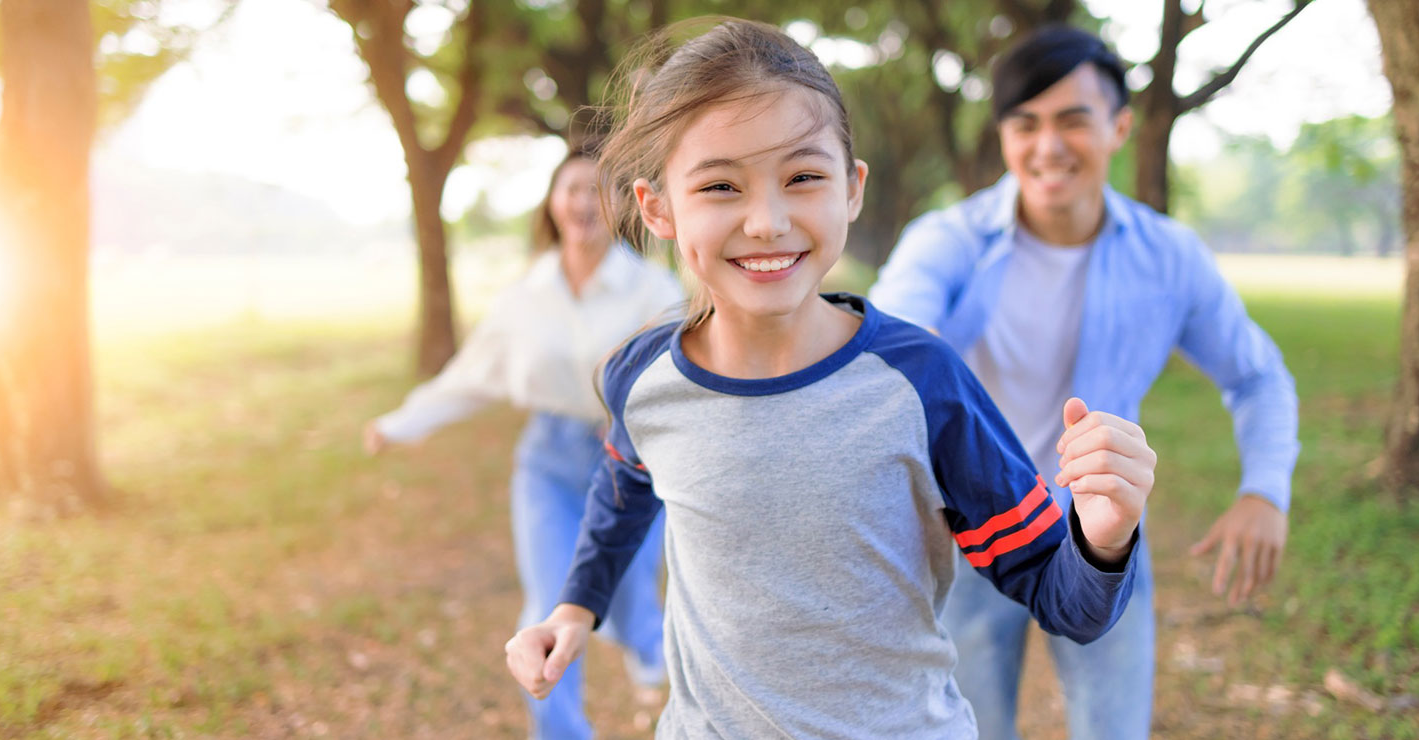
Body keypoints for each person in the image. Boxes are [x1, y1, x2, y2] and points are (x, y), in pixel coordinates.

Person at [504, 19, 1161, 737]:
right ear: (658, 207)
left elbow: (1061, 597)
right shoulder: (644, 376)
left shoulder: (921, 382)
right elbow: (624, 486)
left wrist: (1102, 538)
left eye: (803, 177)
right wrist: (576, 605)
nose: (766, 220)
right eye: (721, 185)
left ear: (851, 189)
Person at [869, 25, 1300, 740]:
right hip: (968, 530)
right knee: (963, 728)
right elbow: (896, 337)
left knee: (1115, 729)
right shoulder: (949, 240)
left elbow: (1257, 375)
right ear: (1004, 135)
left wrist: (1265, 491)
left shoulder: (1168, 257)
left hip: (1101, 533)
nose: (1048, 146)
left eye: (1073, 120)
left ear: (1120, 127)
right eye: (1025, 123)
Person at [364, 149, 681, 740]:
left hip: (632, 461)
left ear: (620, 205)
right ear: (553, 203)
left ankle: (645, 644)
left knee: (633, 586)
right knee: (546, 605)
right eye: (572, 189)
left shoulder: (652, 289)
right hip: (549, 464)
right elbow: (471, 374)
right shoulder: (525, 297)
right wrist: (402, 422)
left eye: (597, 190)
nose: (584, 202)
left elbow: (682, 372)